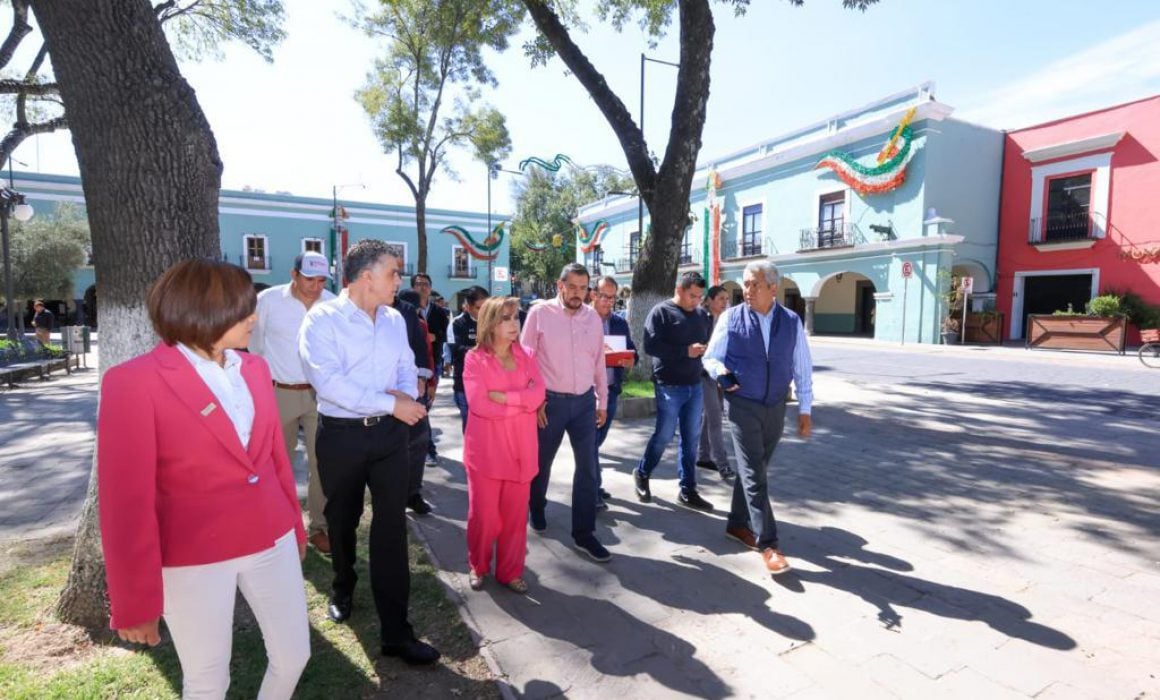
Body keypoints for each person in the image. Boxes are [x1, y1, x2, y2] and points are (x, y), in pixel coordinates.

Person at [97, 259, 309, 698]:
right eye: (243, 308)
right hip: (193, 557)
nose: (255, 317)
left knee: (294, 655)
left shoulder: (254, 369)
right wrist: (134, 600)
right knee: (207, 678)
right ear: (203, 310)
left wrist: (293, 522)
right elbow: (124, 503)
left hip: (272, 540)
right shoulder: (132, 382)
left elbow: (272, 460)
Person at [299, 239, 439, 665]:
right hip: (341, 436)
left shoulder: (396, 319)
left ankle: (396, 632)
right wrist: (392, 401)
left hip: (389, 437)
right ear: (366, 277)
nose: (401, 280)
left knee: (391, 528)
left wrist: (408, 387)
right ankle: (343, 585)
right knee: (343, 520)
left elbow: (405, 363)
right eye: (393, 273)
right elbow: (331, 385)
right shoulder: (322, 321)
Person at [702, 260, 814, 575]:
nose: (747, 291)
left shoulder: (791, 321)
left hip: (776, 406)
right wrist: (720, 372)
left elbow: (802, 365)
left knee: (757, 469)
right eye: (746, 284)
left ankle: (737, 524)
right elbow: (711, 357)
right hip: (742, 406)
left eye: (755, 285)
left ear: (773, 289)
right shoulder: (730, 318)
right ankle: (769, 544)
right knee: (754, 472)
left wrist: (805, 408)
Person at [521, 263, 610, 562]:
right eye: (572, 287)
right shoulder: (539, 314)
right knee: (541, 462)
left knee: (588, 467)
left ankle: (584, 534)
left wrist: (603, 402)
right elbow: (525, 361)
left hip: (585, 403)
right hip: (550, 404)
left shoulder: (593, 318)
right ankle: (536, 506)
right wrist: (534, 402)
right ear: (560, 285)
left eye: (583, 288)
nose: (577, 293)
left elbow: (599, 362)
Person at [251, 251, 336, 554]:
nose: (315, 285)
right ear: (294, 273)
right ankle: (284, 527)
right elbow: (254, 346)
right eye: (309, 278)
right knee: (277, 464)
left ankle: (320, 528)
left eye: (321, 279)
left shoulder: (332, 303)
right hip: (278, 393)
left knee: (323, 463)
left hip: (320, 396)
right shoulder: (269, 301)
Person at [462, 296, 545, 593]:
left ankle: (510, 571)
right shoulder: (474, 358)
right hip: (485, 452)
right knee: (484, 516)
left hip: (521, 450)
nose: (514, 324)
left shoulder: (527, 355)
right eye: (505, 319)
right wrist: (522, 403)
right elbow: (479, 404)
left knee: (515, 517)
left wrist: (508, 398)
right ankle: (478, 564)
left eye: (516, 318)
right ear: (489, 323)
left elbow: (538, 395)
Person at [633, 271, 715, 512]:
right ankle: (642, 472)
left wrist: (704, 352)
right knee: (664, 435)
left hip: (695, 385)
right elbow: (650, 346)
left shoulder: (701, 315)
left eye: (700, 297)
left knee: (691, 441)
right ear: (679, 289)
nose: (696, 301)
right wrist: (685, 351)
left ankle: (688, 490)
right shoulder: (661, 312)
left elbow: (703, 344)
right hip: (668, 385)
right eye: (692, 296)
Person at [590, 275, 636, 509]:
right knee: (590, 442)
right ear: (593, 295)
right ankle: (592, 490)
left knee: (597, 442)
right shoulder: (582, 319)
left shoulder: (619, 323)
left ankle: (592, 484)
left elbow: (632, 350)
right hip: (586, 393)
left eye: (612, 297)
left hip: (611, 390)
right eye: (604, 296)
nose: (608, 302)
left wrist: (630, 359)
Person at [395, 288, 435, 515]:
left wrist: (423, 378)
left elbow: (422, 349)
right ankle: (393, 495)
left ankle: (413, 493)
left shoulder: (408, 312)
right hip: (381, 394)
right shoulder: (361, 310)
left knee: (419, 440)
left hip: (412, 390)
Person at [410, 273, 449, 466]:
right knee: (422, 407)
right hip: (414, 365)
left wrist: (433, 337)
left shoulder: (439, 312)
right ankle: (427, 448)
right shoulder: (407, 309)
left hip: (434, 361)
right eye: (418, 284)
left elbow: (444, 333)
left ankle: (423, 446)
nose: (422, 287)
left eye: (426, 284)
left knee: (425, 404)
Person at [697, 285, 735, 479]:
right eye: (720, 298)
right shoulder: (700, 318)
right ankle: (723, 464)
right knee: (715, 418)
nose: (724, 302)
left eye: (726, 299)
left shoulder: (725, 319)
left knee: (713, 414)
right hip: (703, 374)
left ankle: (703, 456)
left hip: (720, 373)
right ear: (709, 300)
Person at [449, 285, 489, 431]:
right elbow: (457, 350)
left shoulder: (494, 322)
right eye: (480, 307)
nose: (485, 311)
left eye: (487, 307)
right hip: (465, 385)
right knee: (471, 427)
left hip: (491, 385)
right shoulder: (458, 323)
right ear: (469, 307)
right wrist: (482, 349)